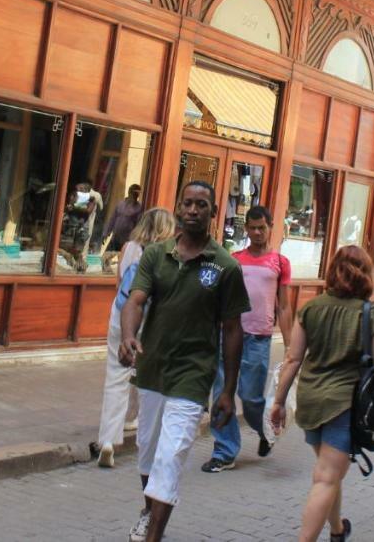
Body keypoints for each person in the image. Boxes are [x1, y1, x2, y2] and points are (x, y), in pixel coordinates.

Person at [118, 181, 250, 542]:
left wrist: (228, 390)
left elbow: (233, 329)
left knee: (170, 456)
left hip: (193, 375)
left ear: (213, 211)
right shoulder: (156, 255)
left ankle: (154, 535)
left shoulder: (225, 266)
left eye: (201, 205)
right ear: (178, 208)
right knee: (147, 454)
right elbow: (135, 300)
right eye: (187, 204)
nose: (193, 210)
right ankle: (149, 510)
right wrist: (129, 335)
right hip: (152, 369)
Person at [270, 246, 374, 542]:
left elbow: (293, 359)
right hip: (343, 406)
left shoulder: (310, 308)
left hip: (311, 401)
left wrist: (279, 401)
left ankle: (337, 530)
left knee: (329, 471)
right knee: (325, 477)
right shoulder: (370, 314)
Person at [202, 205, 294, 472]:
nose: (256, 233)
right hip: (229, 334)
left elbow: (284, 307)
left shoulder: (279, 262)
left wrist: (290, 347)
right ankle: (225, 451)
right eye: (252, 228)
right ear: (246, 229)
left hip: (259, 339)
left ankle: (266, 430)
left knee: (251, 396)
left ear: (270, 228)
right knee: (221, 391)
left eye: (261, 228)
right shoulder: (234, 260)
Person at [93, 208, 175, 469]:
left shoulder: (128, 247)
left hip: (121, 315)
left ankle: (108, 439)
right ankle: (142, 429)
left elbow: (120, 283)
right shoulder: (167, 253)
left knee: (116, 375)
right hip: (150, 320)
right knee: (146, 375)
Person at [101, 184, 145, 275]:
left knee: (125, 260)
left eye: (137, 193)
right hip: (116, 236)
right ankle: (105, 274)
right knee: (106, 257)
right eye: (134, 193)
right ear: (129, 192)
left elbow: (139, 225)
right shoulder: (120, 204)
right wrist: (106, 233)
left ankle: (120, 277)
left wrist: (136, 240)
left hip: (128, 238)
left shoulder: (139, 208)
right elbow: (112, 219)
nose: (136, 195)